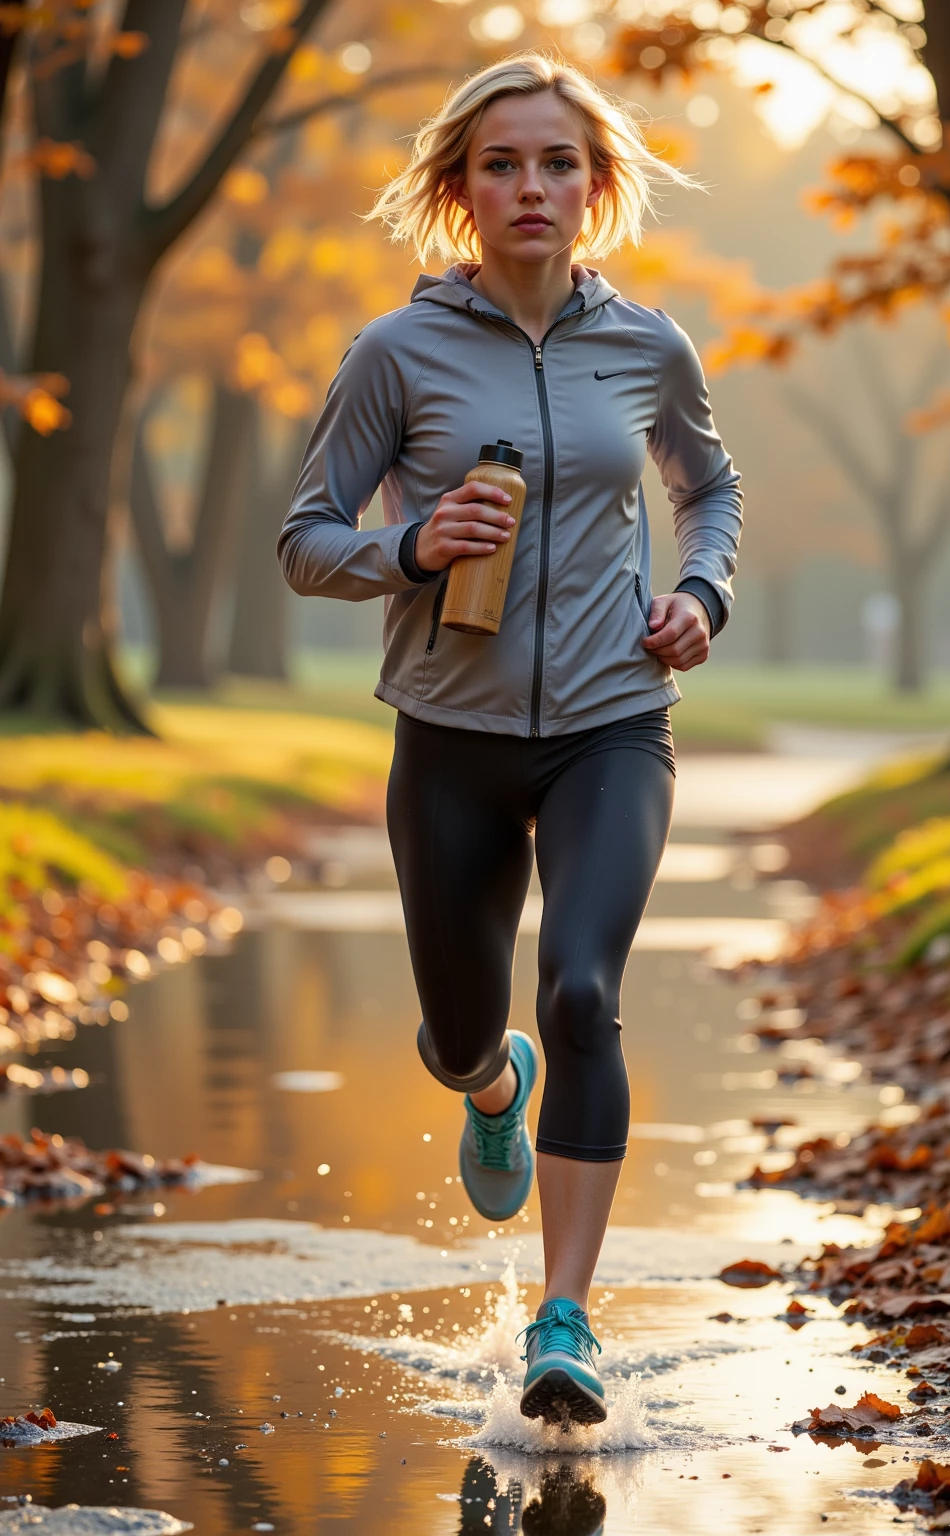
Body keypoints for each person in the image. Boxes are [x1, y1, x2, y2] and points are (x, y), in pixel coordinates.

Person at [278, 51, 742, 1429]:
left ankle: (566, 1320)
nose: (531, 185)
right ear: (461, 190)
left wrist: (701, 593)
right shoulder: (396, 352)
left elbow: (708, 487)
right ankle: (489, 1085)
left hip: (612, 728)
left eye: (556, 163)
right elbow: (305, 542)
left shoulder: (648, 345)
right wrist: (412, 546)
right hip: (451, 738)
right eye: (501, 163)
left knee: (584, 995)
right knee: (466, 1030)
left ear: (596, 186)